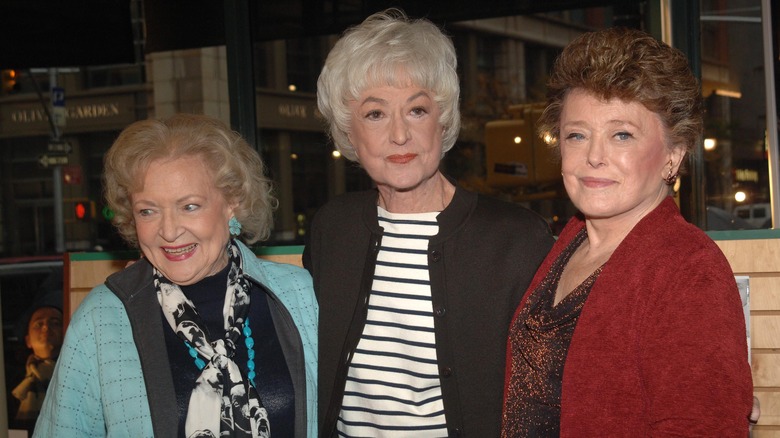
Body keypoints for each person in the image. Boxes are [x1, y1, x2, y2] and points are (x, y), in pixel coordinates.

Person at [304, 9, 554, 437]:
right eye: (375, 114)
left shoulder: (517, 240)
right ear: (349, 131)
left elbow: (548, 396)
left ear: (443, 120)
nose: (399, 135)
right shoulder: (333, 230)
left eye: (417, 110)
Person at [501, 27, 754, 436]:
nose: (594, 157)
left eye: (622, 135)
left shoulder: (690, 270)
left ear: (673, 154)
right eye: (577, 135)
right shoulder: (569, 245)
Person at [34, 114, 318, 437]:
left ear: (232, 203)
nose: (169, 231)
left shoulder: (299, 297)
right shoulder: (101, 320)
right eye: (148, 211)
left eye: (189, 206)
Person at [11, 306, 63, 426]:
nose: (46, 327)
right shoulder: (14, 381)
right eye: (38, 324)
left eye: (55, 323)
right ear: (28, 340)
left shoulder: (77, 374)